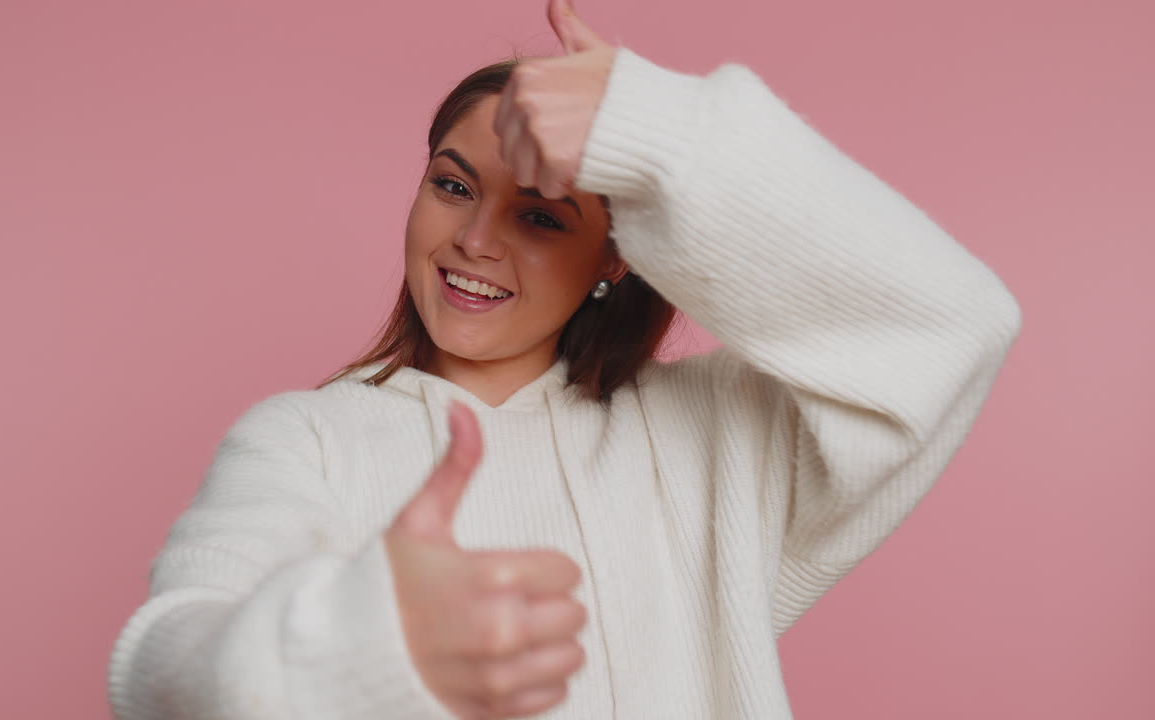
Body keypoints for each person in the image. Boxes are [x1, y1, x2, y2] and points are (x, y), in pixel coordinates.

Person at [106, 0, 1023, 718]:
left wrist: (669, 136)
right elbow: (160, 663)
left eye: (541, 217)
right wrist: (344, 652)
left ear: (613, 258)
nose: (474, 239)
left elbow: (955, 324)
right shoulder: (304, 438)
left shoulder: (715, 443)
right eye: (452, 185)